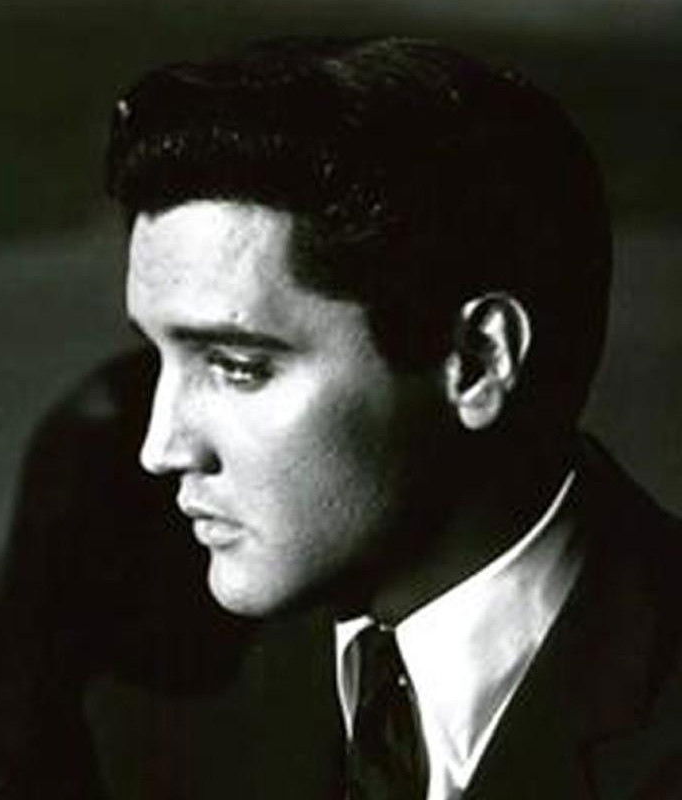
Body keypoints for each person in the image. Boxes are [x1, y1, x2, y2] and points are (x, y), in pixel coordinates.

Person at [51, 36, 682, 798]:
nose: (161, 448)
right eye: (158, 358)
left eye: (239, 366)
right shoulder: (159, 729)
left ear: (478, 361)